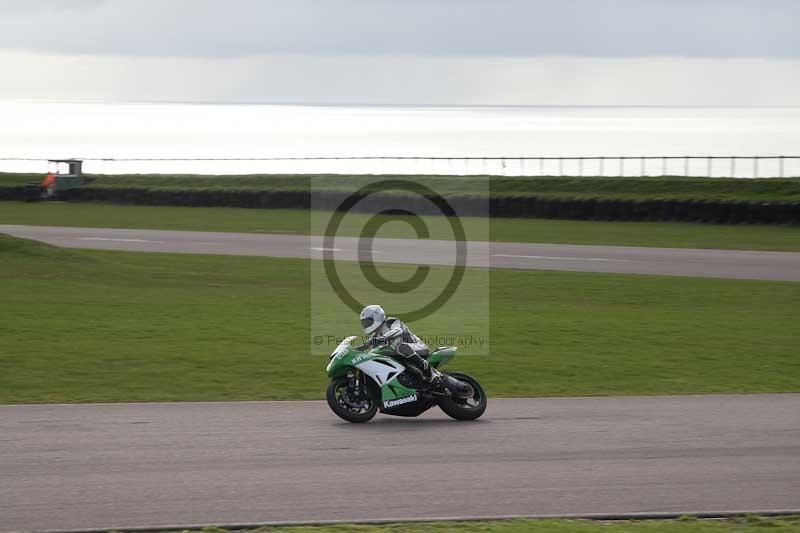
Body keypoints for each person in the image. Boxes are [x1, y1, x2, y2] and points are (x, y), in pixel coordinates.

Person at [359, 304, 438, 384]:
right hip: (404, 356)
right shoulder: (376, 335)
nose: (366, 325)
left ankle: (430, 370)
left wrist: (383, 338)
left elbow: (398, 330)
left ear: (377, 317)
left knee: (400, 347)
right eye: (364, 322)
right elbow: (366, 345)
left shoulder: (391, 321)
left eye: (368, 322)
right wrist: (355, 350)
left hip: (418, 347)